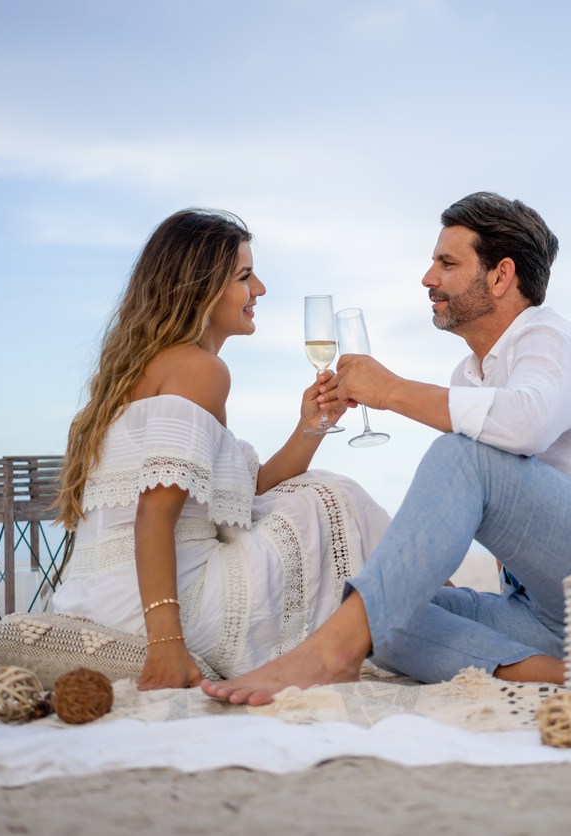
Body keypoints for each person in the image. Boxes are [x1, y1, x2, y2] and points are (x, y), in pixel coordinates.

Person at [202, 192, 571, 705]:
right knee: (384, 612)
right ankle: (568, 673)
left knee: (462, 456)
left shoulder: (550, 337)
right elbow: (462, 506)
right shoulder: (467, 376)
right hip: (550, 610)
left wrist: (391, 391)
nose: (428, 278)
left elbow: (523, 427)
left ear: (501, 276)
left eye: (447, 263)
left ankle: (328, 655)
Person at [52, 209, 390, 690]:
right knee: (331, 497)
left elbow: (249, 489)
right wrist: (166, 645)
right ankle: (430, 609)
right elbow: (155, 513)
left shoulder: (150, 372)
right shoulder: (198, 371)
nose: (261, 290)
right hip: (160, 605)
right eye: (245, 276)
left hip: (101, 593)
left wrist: (314, 422)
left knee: (321, 491)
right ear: (200, 289)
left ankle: (428, 605)